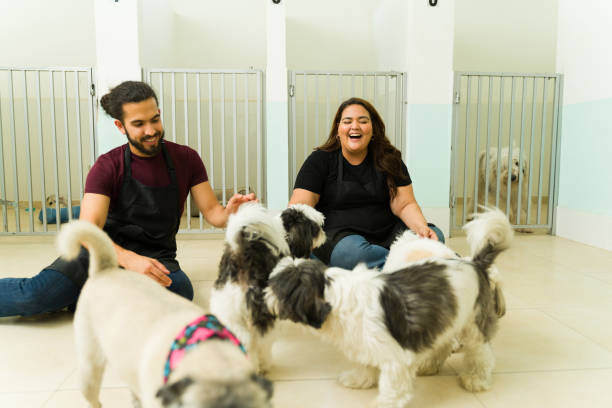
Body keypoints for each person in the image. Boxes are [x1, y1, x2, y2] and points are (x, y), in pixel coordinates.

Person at [0, 81, 256, 317]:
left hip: (156, 255)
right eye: (139, 124)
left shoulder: (187, 159)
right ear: (120, 126)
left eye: (155, 119)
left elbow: (213, 213)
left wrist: (231, 211)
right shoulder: (107, 166)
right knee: (34, 297)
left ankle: (90, 297)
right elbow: (88, 232)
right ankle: (92, 293)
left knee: (180, 292)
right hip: (99, 252)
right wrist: (128, 259)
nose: (151, 130)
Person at [289, 97, 443, 270]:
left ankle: (398, 263)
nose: (355, 126)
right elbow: (300, 206)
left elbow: (405, 204)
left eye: (363, 121)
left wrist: (422, 228)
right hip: (341, 238)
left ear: (373, 129)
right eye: (347, 121)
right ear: (338, 129)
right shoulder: (319, 160)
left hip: (388, 233)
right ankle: (418, 263)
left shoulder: (390, 159)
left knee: (435, 236)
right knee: (355, 255)